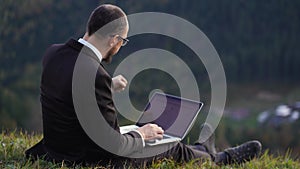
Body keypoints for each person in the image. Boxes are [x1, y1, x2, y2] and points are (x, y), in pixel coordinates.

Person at [25, 4, 262, 168]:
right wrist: (140, 133)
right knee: (166, 146)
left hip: (57, 148)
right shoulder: (95, 75)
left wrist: (109, 85)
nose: (120, 48)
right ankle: (219, 159)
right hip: (87, 159)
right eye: (123, 42)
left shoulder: (54, 53)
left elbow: (70, 91)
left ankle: (202, 148)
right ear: (114, 40)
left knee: (162, 138)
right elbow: (113, 147)